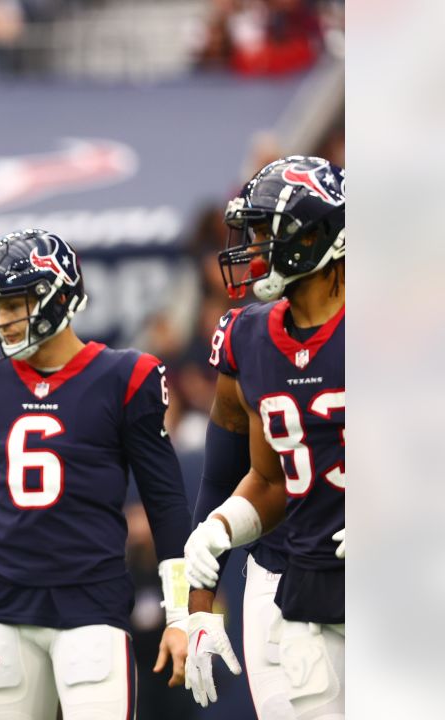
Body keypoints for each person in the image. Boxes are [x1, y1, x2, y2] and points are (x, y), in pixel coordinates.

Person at [0, 229, 193, 719]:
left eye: (14, 305)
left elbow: (166, 504)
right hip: (4, 607)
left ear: (59, 297)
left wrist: (182, 612)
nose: (2, 321)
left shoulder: (125, 376)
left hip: (90, 607)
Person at [184, 156, 345, 718]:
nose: (250, 251)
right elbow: (265, 480)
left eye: (263, 235)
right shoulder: (249, 336)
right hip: (298, 579)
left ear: (314, 236)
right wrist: (208, 556)